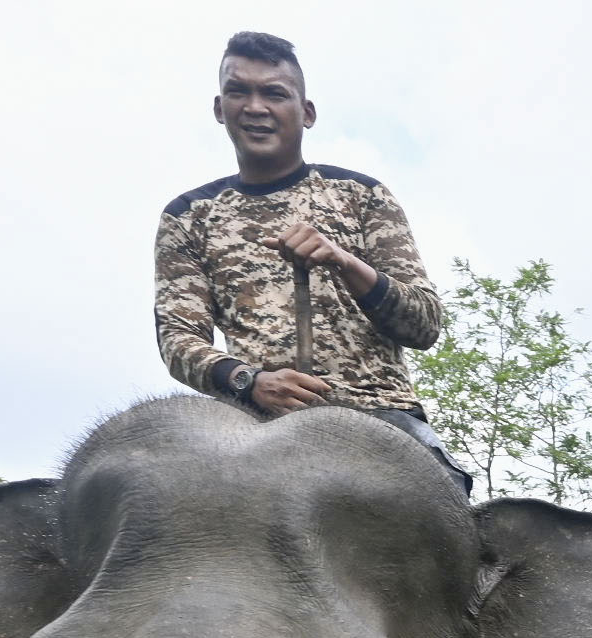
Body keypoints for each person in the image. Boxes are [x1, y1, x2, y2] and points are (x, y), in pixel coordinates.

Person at [154, 31, 468, 488]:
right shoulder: (187, 217)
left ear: (306, 113)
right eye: (239, 91)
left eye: (274, 94)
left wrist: (346, 263)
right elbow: (178, 339)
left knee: (450, 505)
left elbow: (424, 324)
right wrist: (250, 381)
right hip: (254, 425)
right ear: (220, 108)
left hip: (380, 416)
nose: (256, 107)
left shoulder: (362, 196)